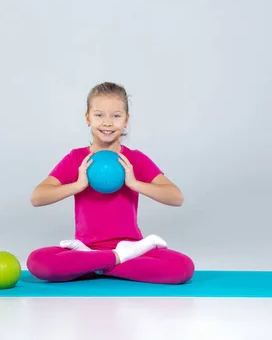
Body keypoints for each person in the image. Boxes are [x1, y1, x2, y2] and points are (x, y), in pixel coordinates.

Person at [26, 82, 195, 284]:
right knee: (38, 262)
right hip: (85, 249)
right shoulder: (76, 159)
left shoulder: (135, 160)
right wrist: (77, 186)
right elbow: (37, 198)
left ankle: (96, 265)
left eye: (116, 116)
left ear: (126, 121)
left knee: (182, 267)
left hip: (130, 246)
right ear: (87, 118)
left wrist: (134, 183)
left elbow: (176, 197)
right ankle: (115, 260)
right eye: (99, 115)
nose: (107, 123)